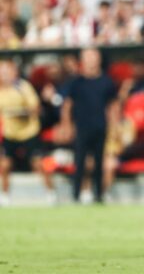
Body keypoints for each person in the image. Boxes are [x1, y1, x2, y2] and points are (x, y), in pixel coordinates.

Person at [60, 48, 117, 203]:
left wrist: (114, 126)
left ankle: (99, 195)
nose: (91, 60)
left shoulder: (107, 81)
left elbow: (112, 106)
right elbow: (67, 106)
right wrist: (67, 125)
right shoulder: (76, 82)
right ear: (82, 60)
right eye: (88, 57)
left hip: (100, 126)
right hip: (82, 127)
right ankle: (76, 195)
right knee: (79, 162)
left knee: (99, 163)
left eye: (94, 56)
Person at [0, 60, 55, 206]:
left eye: (7, 70)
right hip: (10, 134)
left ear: (14, 72)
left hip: (29, 132)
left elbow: (36, 109)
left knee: (39, 164)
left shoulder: (23, 87)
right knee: (4, 165)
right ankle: (4, 196)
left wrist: (23, 113)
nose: (4, 74)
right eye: (2, 71)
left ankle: (51, 194)